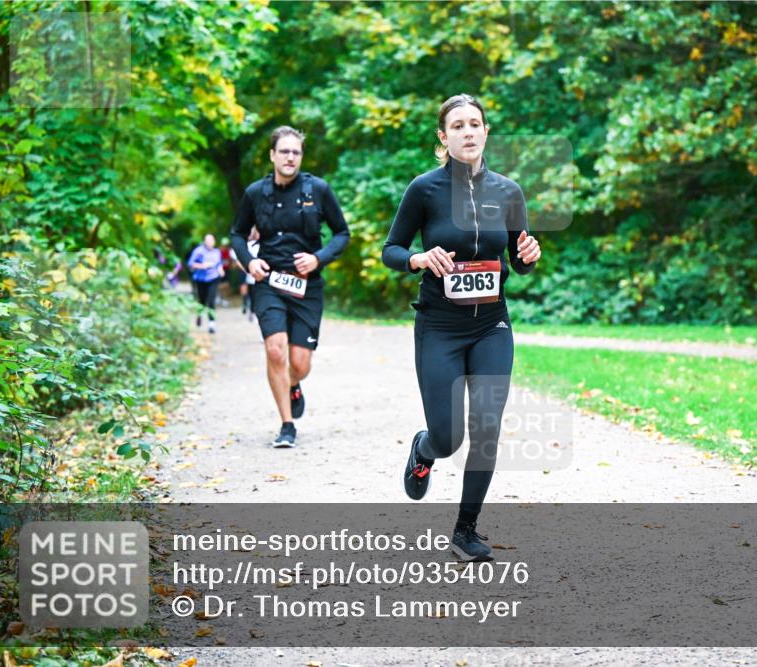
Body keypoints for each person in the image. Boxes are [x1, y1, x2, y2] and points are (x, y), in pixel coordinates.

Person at [382, 94, 541, 561]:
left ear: (486, 132)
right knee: (449, 438)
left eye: (475, 124)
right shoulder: (424, 189)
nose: (468, 132)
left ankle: (466, 530)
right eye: (458, 125)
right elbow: (391, 249)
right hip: (440, 329)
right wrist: (416, 258)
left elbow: (519, 256)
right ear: (443, 136)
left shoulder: (508, 191)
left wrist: (528, 257)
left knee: (487, 428)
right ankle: (425, 450)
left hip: (492, 325)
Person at [230, 126, 350, 447]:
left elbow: (342, 233)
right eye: (284, 151)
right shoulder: (256, 193)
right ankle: (287, 425)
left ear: (301, 157)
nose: (290, 157)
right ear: (272, 155)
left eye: (296, 152)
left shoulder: (319, 190)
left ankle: (293, 384)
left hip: (307, 288)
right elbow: (237, 234)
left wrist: (318, 259)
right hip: (269, 282)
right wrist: (250, 262)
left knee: (299, 363)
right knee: (274, 349)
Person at [188, 234, 224, 333]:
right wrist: (202, 266)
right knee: (202, 301)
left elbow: (219, 263)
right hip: (201, 279)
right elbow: (190, 264)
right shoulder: (198, 251)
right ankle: (199, 316)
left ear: (214, 242)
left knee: (211, 301)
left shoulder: (217, 252)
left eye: (211, 240)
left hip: (213, 278)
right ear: (204, 242)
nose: (210, 242)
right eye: (208, 241)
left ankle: (211, 325)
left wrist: (220, 270)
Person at [230, 228, 260, 322]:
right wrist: (246, 268)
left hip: (261, 273)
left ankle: (254, 311)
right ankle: (248, 308)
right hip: (248, 272)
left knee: (257, 293)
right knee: (250, 291)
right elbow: (237, 257)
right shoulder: (248, 245)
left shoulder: (266, 244)